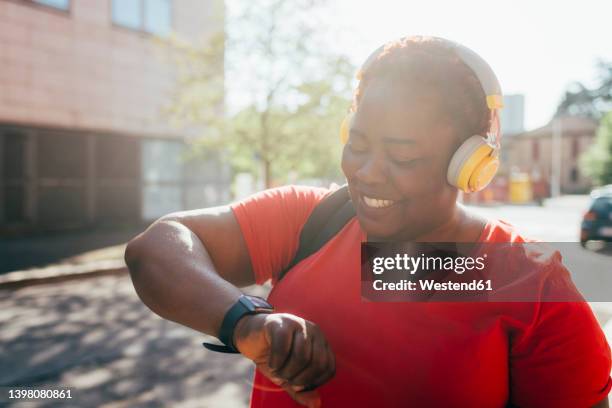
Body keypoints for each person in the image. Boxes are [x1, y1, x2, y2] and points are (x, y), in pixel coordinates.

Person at [125, 36, 611, 407]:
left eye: (401, 156)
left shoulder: (531, 284)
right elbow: (156, 249)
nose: (365, 171)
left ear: (469, 164)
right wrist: (244, 322)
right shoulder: (307, 219)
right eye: (357, 144)